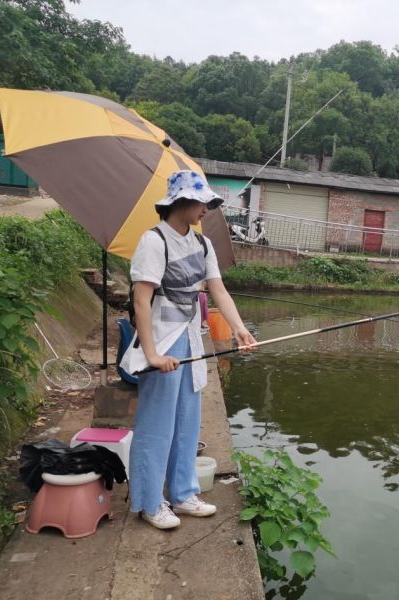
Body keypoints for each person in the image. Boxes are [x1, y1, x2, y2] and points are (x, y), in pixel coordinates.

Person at [120, 170, 257, 530]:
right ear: (181, 201)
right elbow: (141, 299)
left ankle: (182, 494)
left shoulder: (203, 244)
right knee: (156, 426)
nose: (205, 210)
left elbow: (218, 290)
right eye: (202, 203)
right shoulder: (153, 242)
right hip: (162, 342)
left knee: (187, 423)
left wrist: (240, 329)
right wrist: (152, 355)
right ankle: (150, 503)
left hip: (190, 340)